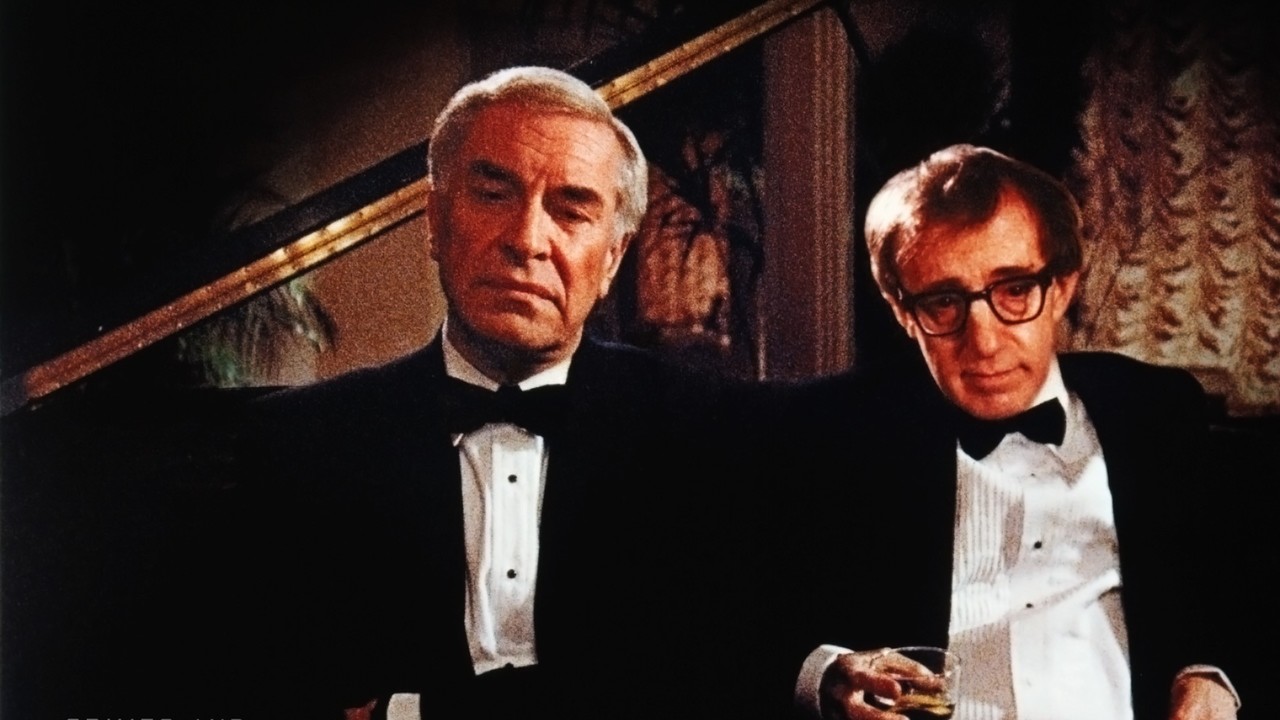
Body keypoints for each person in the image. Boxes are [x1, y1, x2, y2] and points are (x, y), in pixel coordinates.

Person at [233, 66, 731, 720]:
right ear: (435, 222)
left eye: (571, 211)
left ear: (613, 257)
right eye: (494, 195)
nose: (526, 241)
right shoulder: (300, 442)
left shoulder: (702, 432)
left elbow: (710, 665)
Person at [781, 144, 1240, 720]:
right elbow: (739, 623)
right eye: (944, 302)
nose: (985, 342)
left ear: (1063, 286)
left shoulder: (1155, 413)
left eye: (1015, 290)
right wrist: (825, 677)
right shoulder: (838, 432)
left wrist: (1209, 676)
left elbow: (1237, 595)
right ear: (903, 311)